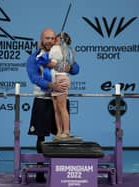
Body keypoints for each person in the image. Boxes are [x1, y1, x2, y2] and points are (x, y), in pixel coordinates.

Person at [26, 28, 80, 183]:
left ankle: (60, 170)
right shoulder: (34, 56)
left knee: (61, 137)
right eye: (46, 38)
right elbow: (34, 77)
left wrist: (68, 67)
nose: (49, 40)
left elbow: (76, 68)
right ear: (41, 39)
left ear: (55, 39)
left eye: (51, 38)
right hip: (43, 99)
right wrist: (51, 85)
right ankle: (40, 170)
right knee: (41, 136)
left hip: (60, 96)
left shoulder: (62, 52)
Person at [37, 32, 74, 140]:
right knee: (56, 109)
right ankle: (59, 132)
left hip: (60, 79)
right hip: (55, 81)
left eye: (55, 39)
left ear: (60, 40)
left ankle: (66, 132)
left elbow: (52, 64)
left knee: (61, 108)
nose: (53, 41)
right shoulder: (64, 49)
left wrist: (41, 61)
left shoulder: (57, 48)